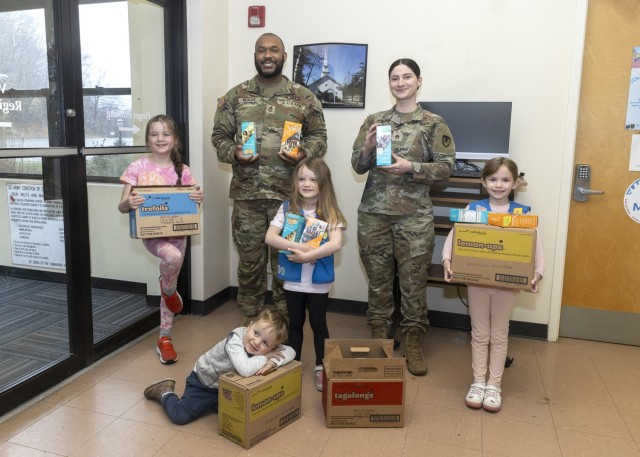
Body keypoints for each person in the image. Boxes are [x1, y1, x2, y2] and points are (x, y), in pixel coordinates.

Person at [211, 32, 327, 325]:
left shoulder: (304, 97)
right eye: (261, 50)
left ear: (283, 56)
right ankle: (250, 323)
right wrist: (234, 152)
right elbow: (219, 137)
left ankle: (282, 324)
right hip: (248, 198)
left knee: (285, 262)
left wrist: (303, 152)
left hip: (289, 199)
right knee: (249, 264)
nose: (267, 55)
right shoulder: (235, 96)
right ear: (255, 55)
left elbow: (320, 137)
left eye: (274, 50)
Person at [351, 58, 455, 376]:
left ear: (419, 81)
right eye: (394, 78)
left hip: (413, 217)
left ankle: (412, 340)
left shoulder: (434, 123)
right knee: (379, 284)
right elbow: (357, 164)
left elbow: (447, 168)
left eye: (406, 76)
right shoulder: (376, 120)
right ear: (390, 84)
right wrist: (368, 148)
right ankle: (380, 338)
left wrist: (413, 167)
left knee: (412, 285)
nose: (400, 82)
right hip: (374, 215)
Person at [442, 157, 544, 412]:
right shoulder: (474, 209)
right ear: (483, 182)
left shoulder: (522, 214)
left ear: (515, 183)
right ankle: (478, 382)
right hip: (477, 284)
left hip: (506, 287)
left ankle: (494, 385)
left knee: (499, 335)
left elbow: (535, 245)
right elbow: (455, 236)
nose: (499, 185)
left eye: (505, 180)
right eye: (493, 179)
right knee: (479, 334)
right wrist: (446, 261)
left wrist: (538, 273)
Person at [118, 114, 204, 365]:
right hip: (153, 235)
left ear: (175, 139)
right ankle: (168, 290)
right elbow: (122, 206)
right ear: (147, 140)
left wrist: (199, 199)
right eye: (154, 134)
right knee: (172, 260)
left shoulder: (183, 171)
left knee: (172, 273)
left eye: (166, 134)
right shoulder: (136, 168)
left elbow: (195, 199)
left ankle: (164, 338)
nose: (160, 138)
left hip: (179, 233)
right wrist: (129, 202)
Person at [265, 157, 347, 391]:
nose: (307, 183)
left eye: (313, 179)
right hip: (293, 281)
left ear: (323, 182)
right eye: (302, 178)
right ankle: (293, 363)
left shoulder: (329, 211)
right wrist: (301, 248)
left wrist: (308, 256)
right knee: (295, 324)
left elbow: (336, 244)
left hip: (318, 283)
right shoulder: (286, 208)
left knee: (319, 324)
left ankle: (322, 366)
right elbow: (270, 237)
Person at [143, 309, 295, 425]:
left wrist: (272, 362)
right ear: (249, 326)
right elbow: (245, 369)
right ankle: (165, 392)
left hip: (225, 387)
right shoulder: (235, 340)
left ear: (273, 346)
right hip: (203, 382)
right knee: (180, 416)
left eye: (266, 343)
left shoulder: (264, 347)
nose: (257, 342)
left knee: (244, 415)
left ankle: (211, 404)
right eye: (256, 333)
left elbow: (291, 351)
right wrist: (264, 356)